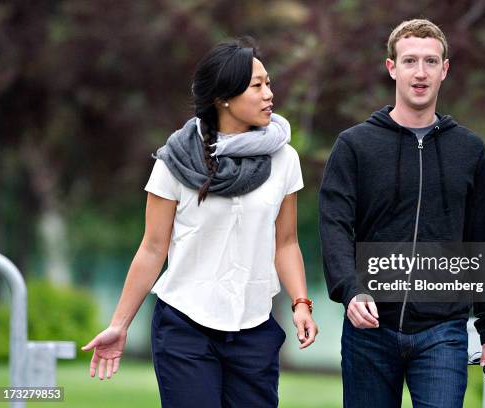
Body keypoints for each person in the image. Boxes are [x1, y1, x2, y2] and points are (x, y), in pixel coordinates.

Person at [82, 37, 318, 408]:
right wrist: (120, 324)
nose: (269, 93)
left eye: (268, 83)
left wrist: (301, 303)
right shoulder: (175, 161)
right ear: (224, 98)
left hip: (255, 327)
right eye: (256, 86)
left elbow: (285, 242)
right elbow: (152, 247)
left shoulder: (284, 159)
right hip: (185, 327)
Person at [319, 19, 485, 407]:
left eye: (430, 61)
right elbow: (335, 225)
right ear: (392, 68)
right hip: (369, 328)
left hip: (443, 330)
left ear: (445, 69)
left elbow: (481, 240)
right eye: (409, 61)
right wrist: (350, 291)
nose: (420, 73)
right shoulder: (355, 145)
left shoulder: (469, 150)